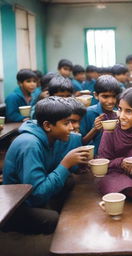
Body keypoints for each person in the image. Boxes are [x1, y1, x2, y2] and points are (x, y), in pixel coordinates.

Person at [2, 97, 90, 234]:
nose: (72, 128)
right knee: (51, 219)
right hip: (17, 203)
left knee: (68, 181)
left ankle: (53, 208)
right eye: (67, 123)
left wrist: (75, 164)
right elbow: (35, 195)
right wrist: (65, 165)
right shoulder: (30, 144)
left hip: (32, 195)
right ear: (48, 125)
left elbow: (52, 168)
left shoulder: (49, 137)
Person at [82, 75, 122, 154]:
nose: (110, 101)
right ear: (96, 95)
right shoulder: (88, 113)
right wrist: (94, 129)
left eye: (114, 96)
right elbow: (81, 143)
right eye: (105, 96)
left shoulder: (119, 113)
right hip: (96, 159)